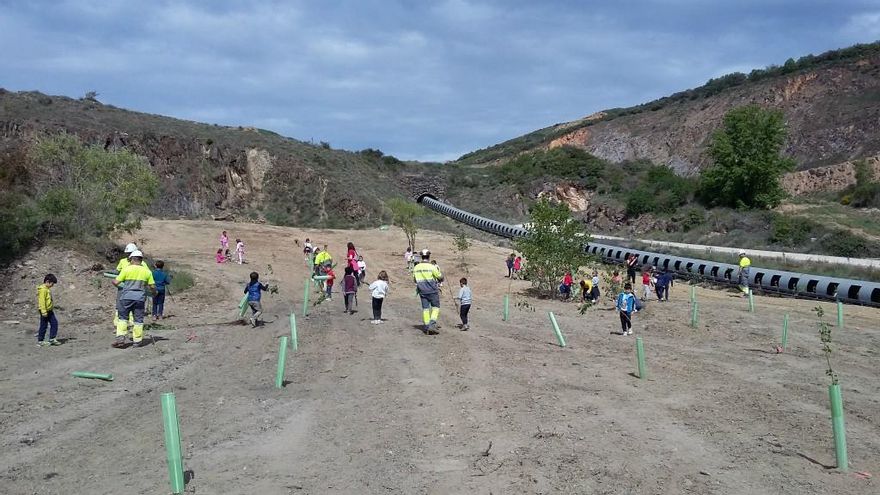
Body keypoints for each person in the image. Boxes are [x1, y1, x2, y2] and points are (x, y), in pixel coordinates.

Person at [112, 250, 156, 348]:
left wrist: (114, 281)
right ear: (141, 260)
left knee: (123, 318)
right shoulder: (147, 271)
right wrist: (154, 293)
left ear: (132, 259)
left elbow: (116, 282)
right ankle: (137, 341)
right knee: (138, 320)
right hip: (139, 299)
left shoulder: (126, 269)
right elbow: (152, 286)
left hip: (126, 297)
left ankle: (121, 338)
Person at [413, 248, 444, 334]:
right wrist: (442, 277)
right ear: (429, 256)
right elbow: (439, 277)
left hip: (422, 292)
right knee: (435, 308)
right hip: (432, 291)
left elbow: (415, 280)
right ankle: (432, 324)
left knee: (425, 309)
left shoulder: (416, 267)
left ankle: (426, 326)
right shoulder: (432, 267)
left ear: (421, 257)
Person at [36, 274, 60, 347]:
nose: (52, 285)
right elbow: (42, 302)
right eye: (52, 284)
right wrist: (43, 311)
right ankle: (40, 341)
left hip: (49, 310)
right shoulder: (43, 290)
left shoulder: (47, 289)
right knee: (44, 325)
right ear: (47, 281)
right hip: (44, 311)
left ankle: (52, 338)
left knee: (54, 323)